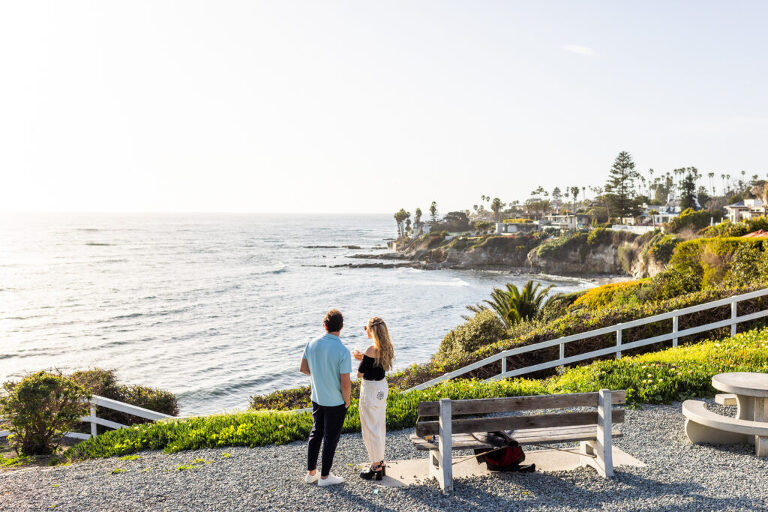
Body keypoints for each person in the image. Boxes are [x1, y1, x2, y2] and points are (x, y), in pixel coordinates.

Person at [300, 308, 352, 486]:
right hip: (335, 401)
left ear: (324, 325)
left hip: (317, 398)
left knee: (316, 433)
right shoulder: (343, 351)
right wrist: (347, 400)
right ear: (341, 327)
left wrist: (319, 375)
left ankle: (311, 473)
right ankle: (325, 477)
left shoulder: (311, 344)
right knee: (330, 438)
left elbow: (304, 369)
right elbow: (345, 382)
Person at [351, 316, 394, 481]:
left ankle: (375, 465)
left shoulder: (371, 350)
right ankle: (380, 462)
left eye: (366, 329)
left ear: (372, 331)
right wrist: (364, 358)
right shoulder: (387, 347)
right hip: (382, 388)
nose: (365, 331)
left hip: (370, 390)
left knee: (369, 428)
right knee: (379, 425)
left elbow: (360, 374)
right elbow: (375, 365)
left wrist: (361, 359)